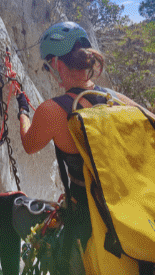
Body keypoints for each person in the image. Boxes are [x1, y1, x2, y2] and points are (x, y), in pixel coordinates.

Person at [9, 22, 145, 275]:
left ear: (57, 64)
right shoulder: (116, 99)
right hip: (131, 215)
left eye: (49, 67)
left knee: (10, 207)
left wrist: (23, 111)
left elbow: (28, 144)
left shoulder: (53, 110)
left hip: (86, 224)